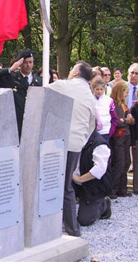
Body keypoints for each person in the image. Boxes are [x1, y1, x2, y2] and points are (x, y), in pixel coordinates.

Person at [49, 61, 95, 237]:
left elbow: (41, 92)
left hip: (59, 142)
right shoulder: (90, 96)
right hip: (76, 143)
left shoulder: (65, 85)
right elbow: (92, 124)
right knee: (66, 184)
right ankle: (70, 227)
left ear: (76, 73)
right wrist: (81, 140)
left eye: (71, 69)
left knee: (62, 185)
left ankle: (72, 228)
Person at [0, 49, 42, 137]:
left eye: (30, 62)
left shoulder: (38, 81)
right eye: (25, 62)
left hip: (33, 124)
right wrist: (10, 69)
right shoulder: (11, 77)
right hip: (15, 124)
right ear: (20, 64)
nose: (28, 65)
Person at [73, 129, 112, 227]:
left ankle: (104, 204)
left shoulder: (100, 144)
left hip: (93, 185)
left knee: (84, 220)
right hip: (74, 182)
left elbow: (99, 169)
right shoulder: (73, 139)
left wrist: (79, 179)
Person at [109, 81, 134, 198]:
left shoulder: (124, 105)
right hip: (118, 136)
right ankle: (112, 189)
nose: (127, 94)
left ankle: (122, 188)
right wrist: (125, 120)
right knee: (119, 162)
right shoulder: (113, 104)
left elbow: (129, 119)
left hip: (126, 135)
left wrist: (128, 120)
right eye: (125, 92)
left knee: (126, 162)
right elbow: (117, 121)